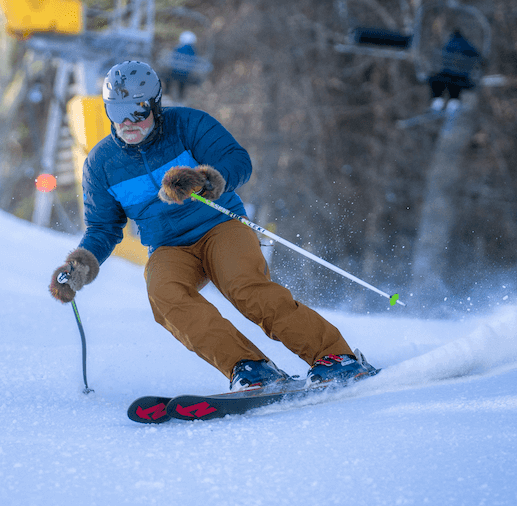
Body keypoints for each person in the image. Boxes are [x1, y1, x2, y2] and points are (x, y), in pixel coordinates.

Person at [49, 61, 377, 390]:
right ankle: (250, 366)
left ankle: (335, 355)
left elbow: (237, 161)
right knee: (164, 294)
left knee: (243, 285)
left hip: (221, 226)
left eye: (136, 111)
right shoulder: (101, 164)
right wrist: (80, 265)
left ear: (155, 104)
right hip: (168, 246)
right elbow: (104, 227)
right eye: (115, 111)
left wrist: (206, 180)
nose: (126, 123)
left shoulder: (187, 125)